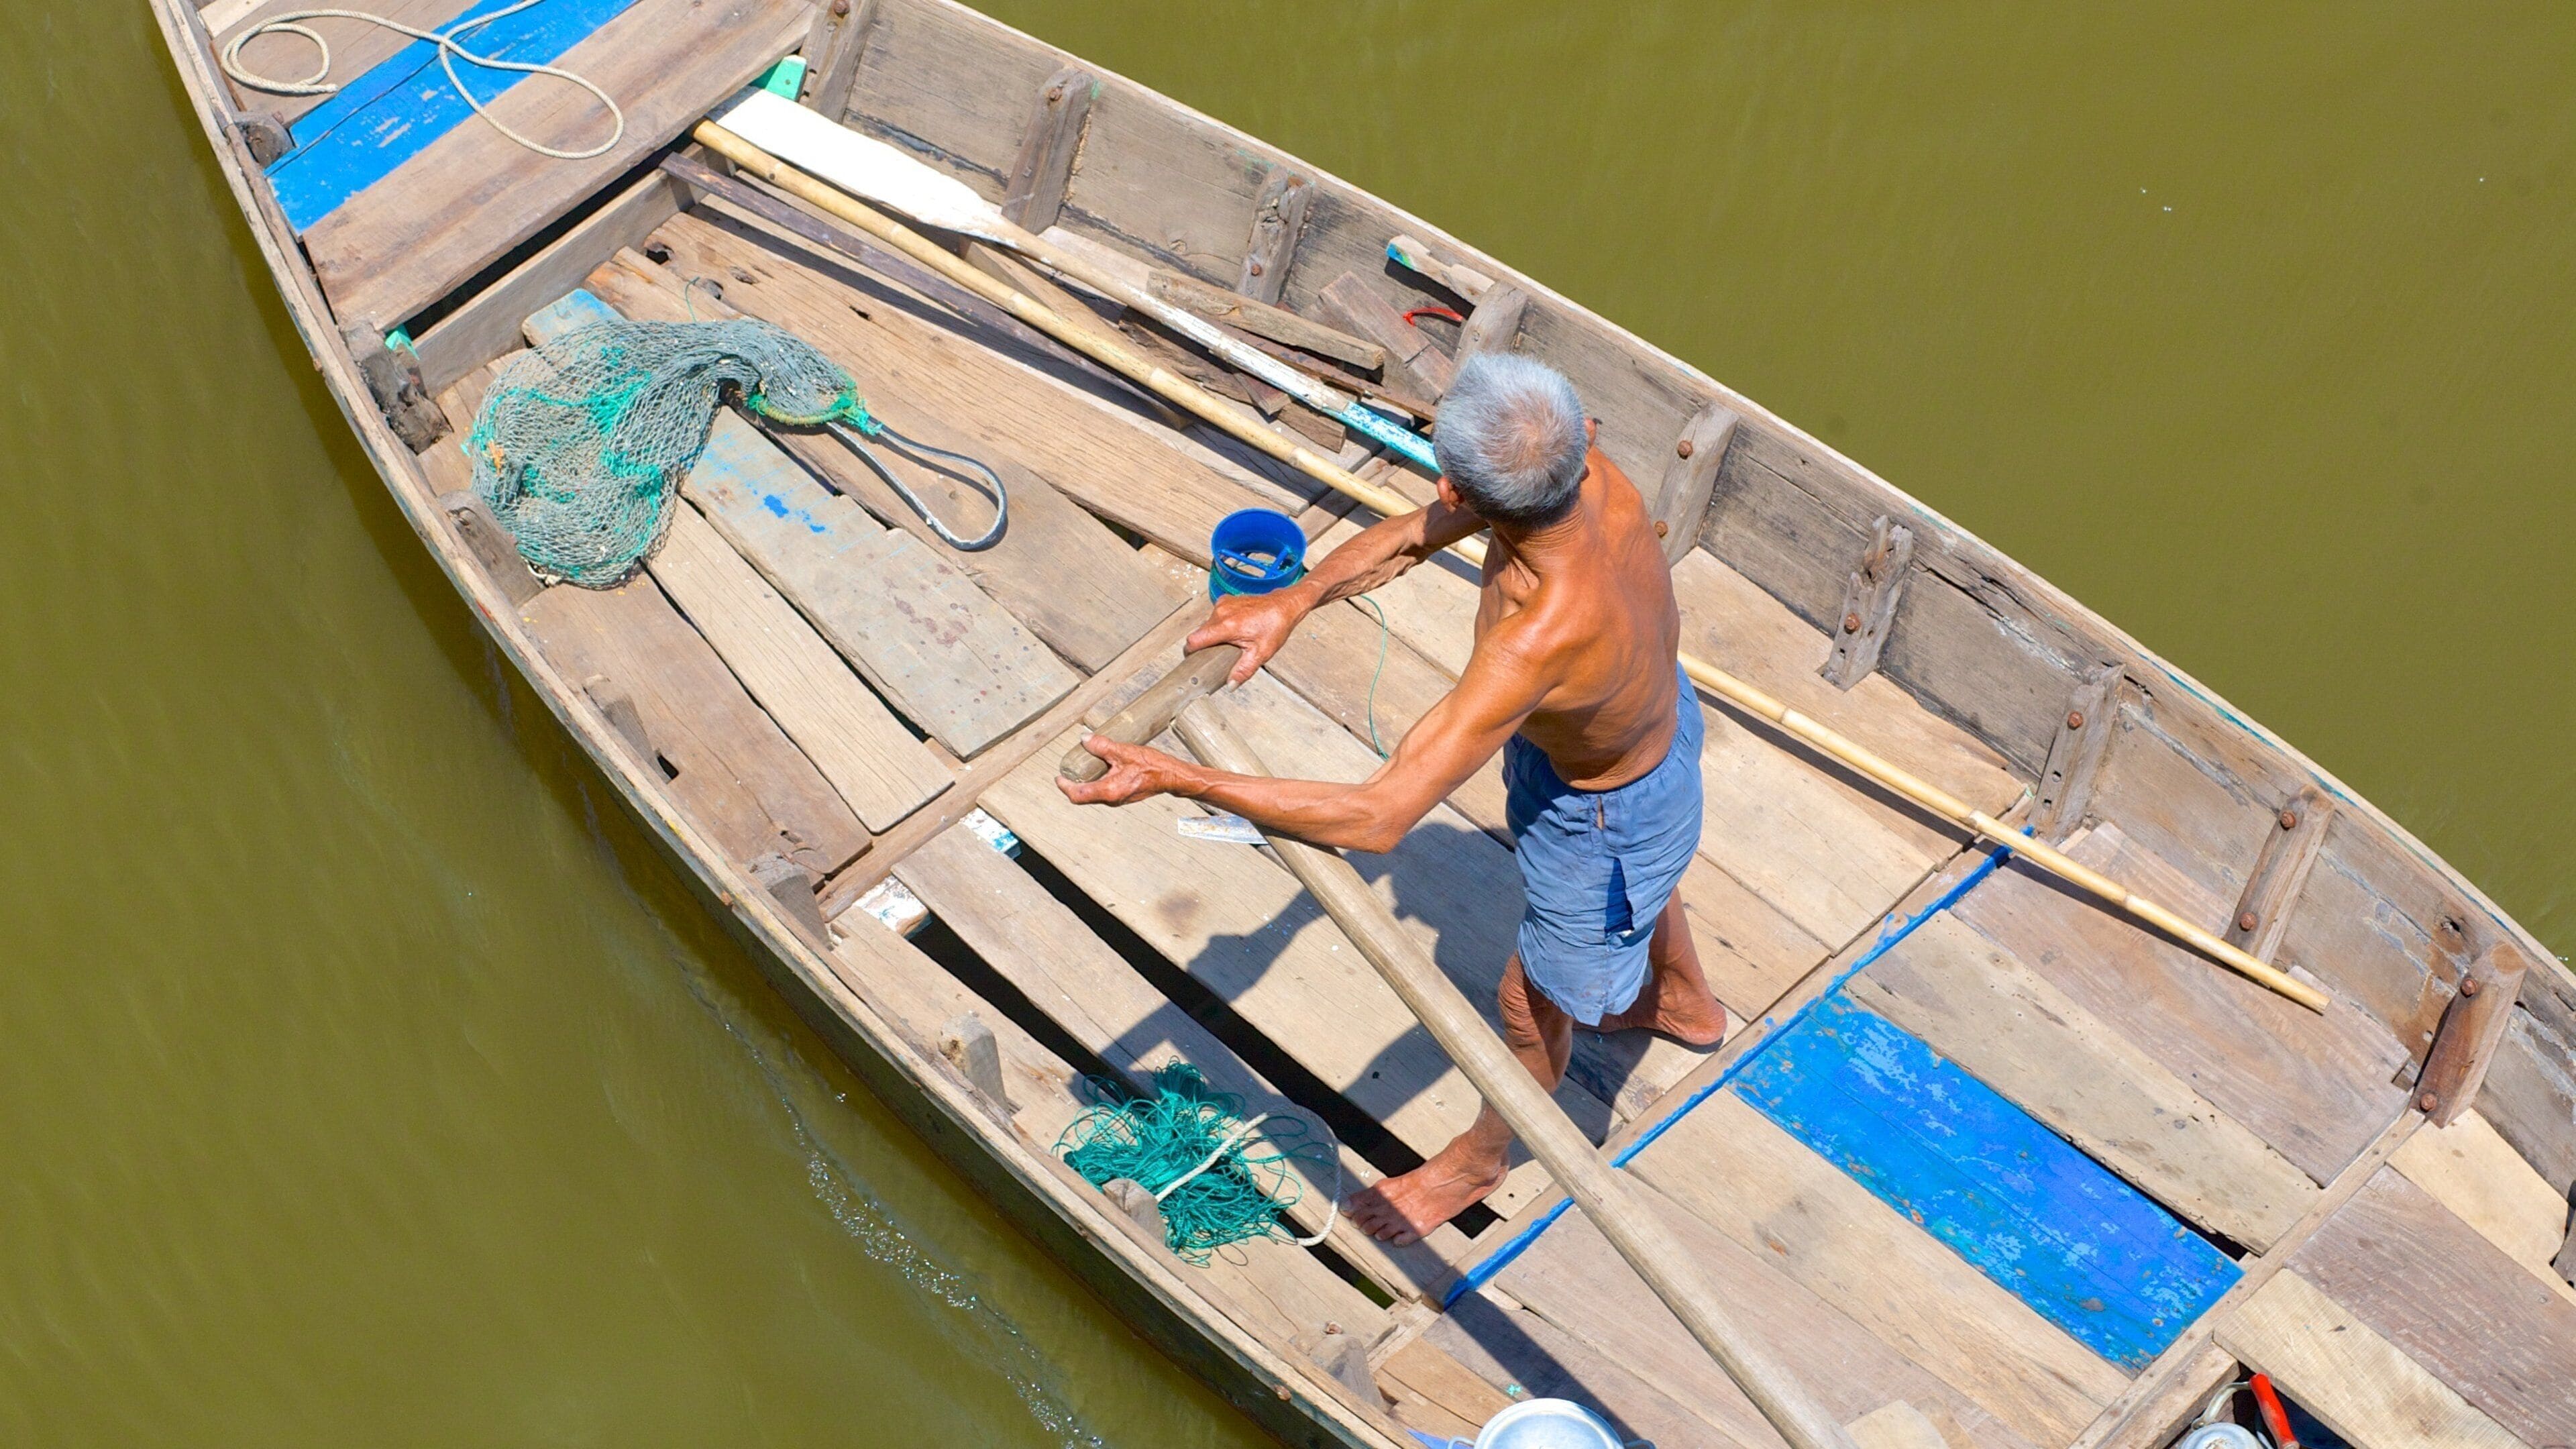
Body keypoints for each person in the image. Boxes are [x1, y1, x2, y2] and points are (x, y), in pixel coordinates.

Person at [1059, 354, 1729, 1244]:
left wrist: (1182, 776)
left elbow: (1381, 817)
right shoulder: (1590, 481)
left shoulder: (1536, 642)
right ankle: (1683, 1002)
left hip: (1606, 814)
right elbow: (1414, 535)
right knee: (1642, 878)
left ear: (1457, 479)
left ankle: (1478, 1161)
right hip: (1642, 731)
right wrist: (1292, 601)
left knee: (1532, 1007)